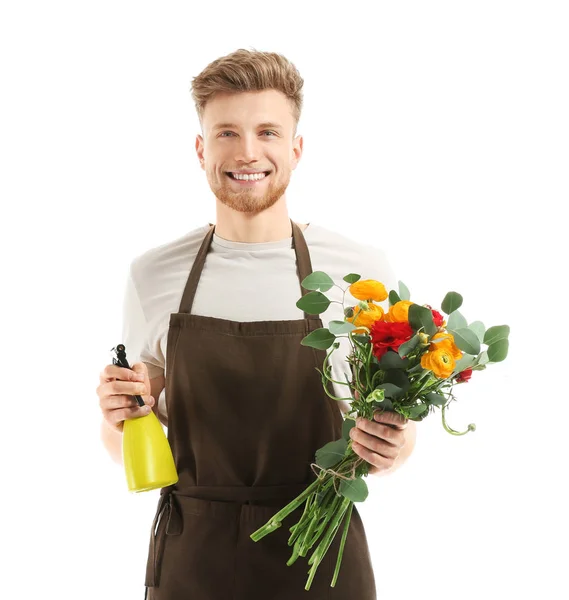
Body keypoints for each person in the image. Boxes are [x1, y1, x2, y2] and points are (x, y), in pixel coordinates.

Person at [97, 48, 416, 599]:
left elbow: (395, 426)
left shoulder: (359, 273)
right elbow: (133, 436)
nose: (248, 152)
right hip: (194, 558)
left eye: (267, 131)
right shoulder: (153, 276)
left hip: (322, 557)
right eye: (226, 133)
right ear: (201, 149)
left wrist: (396, 443)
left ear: (295, 148)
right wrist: (118, 415)